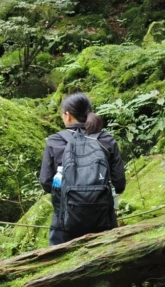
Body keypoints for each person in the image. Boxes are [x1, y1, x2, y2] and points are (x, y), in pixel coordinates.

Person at [39, 92, 126, 246]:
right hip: (103, 220)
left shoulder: (55, 141)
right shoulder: (106, 140)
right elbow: (119, 184)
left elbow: (46, 183)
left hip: (64, 223)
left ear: (68, 115)